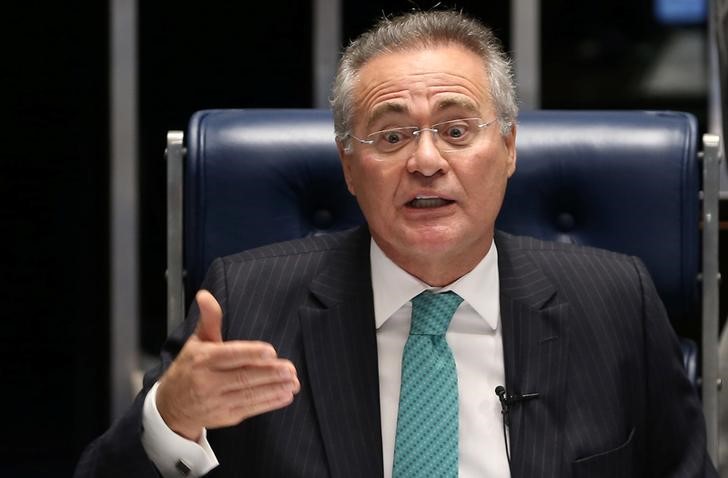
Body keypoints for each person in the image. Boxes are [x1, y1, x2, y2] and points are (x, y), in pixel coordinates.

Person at [75, 9, 717, 478]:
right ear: (350, 167)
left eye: (457, 129)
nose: (427, 160)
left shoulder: (615, 300)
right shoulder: (248, 301)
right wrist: (173, 418)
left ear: (510, 149)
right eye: (390, 137)